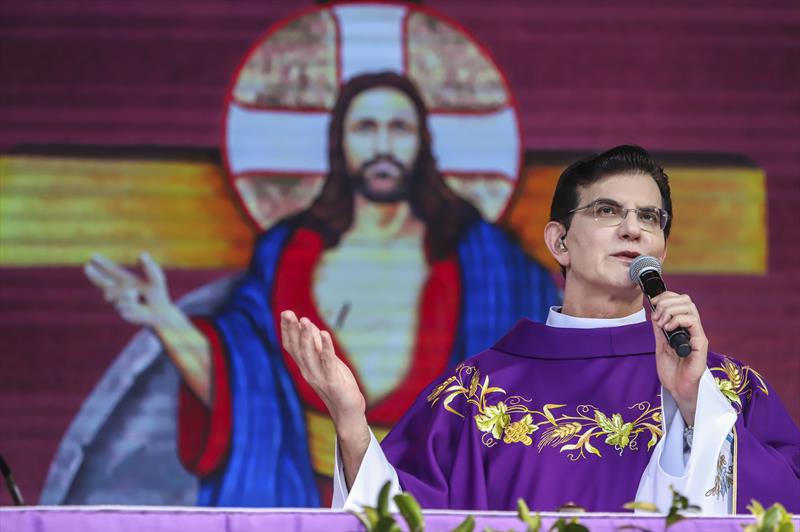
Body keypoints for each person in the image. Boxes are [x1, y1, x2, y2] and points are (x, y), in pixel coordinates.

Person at [84, 72, 559, 507]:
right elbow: (240, 386)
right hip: (304, 493)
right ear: (339, 142)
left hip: (443, 496)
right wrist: (164, 318)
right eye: (365, 128)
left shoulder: (484, 259)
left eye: (399, 128)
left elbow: (544, 358)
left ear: (422, 142)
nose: (383, 146)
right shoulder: (287, 255)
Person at [281, 145, 800, 514]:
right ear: (559, 242)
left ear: (661, 248)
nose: (632, 229)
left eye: (651, 218)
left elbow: (783, 509)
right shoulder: (476, 393)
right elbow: (400, 517)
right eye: (607, 211)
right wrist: (350, 422)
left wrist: (693, 406)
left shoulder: (724, 387)